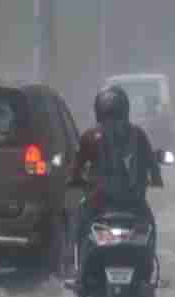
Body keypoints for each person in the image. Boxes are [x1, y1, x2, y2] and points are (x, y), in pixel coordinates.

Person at [67, 86, 163, 280]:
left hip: (98, 202)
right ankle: (150, 274)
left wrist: (75, 180)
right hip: (133, 203)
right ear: (125, 109)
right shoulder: (138, 134)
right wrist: (155, 180)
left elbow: (76, 168)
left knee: (79, 225)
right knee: (150, 226)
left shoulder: (89, 136)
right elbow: (153, 167)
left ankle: (77, 271)